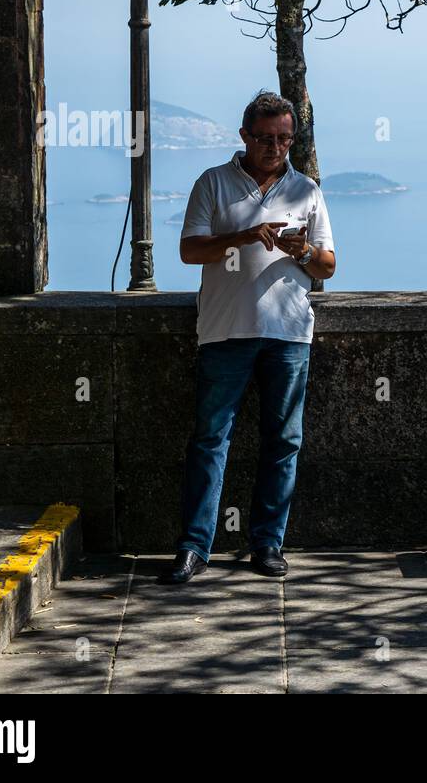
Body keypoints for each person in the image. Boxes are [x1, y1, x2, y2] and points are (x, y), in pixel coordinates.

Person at [159, 91, 335, 585]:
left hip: (289, 333)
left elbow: (329, 266)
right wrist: (241, 236)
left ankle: (268, 545)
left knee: (283, 442)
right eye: (265, 138)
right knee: (210, 441)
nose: (275, 147)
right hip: (224, 330)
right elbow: (190, 251)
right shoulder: (214, 183)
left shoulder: (307, 190)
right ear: (244, 137)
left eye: (283, 138)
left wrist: (301, 252)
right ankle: (194, 548)